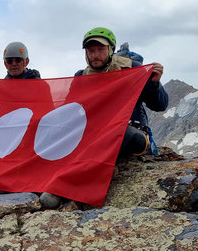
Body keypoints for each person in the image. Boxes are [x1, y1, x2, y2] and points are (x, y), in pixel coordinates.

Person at [40, 27, 168, 208]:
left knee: (119, 132)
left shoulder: (132, 70)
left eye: (100, 49)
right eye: (90, 51)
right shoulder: (81, 77)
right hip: (94, 136)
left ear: (111, 50)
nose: (95, 55)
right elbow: (70, 111)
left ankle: (65, 187)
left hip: (131, 134)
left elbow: (160, 105)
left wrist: (155, 84)